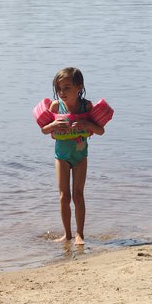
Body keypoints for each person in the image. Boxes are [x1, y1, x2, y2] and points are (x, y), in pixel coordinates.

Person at [40, 67, 106, 244]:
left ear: (79, 87)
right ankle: (67, 234)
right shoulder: (55, 106)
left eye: (67, 88)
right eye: (59, 88)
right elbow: (43, 130)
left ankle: (80, 234)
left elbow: (100, 131)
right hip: (61, 156)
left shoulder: (87, 106)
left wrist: (86, 123)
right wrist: (53, 125)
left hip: (80, 156)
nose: (62, 92)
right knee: (64, 196)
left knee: (78, 195)